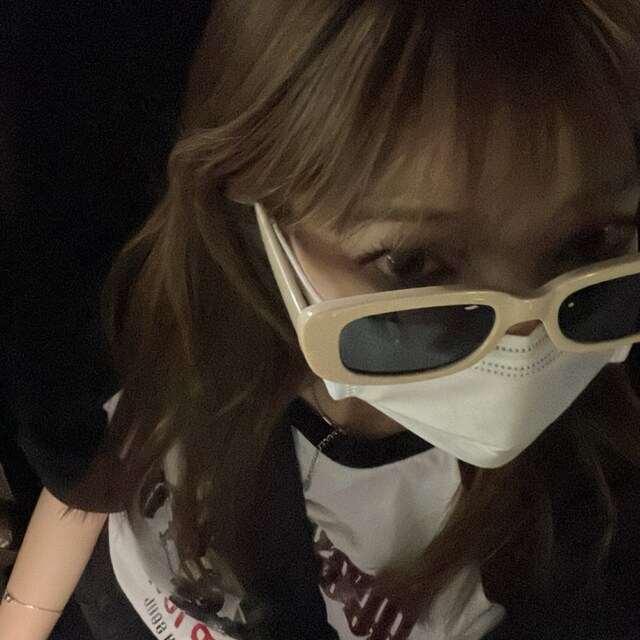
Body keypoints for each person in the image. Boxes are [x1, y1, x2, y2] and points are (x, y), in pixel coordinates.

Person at [1, 0, 640, 638]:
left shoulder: (571, 529)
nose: (523, 343)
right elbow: (93, 476)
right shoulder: (187, 325)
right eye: (413, 262)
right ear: (257, 209)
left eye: (594, 243)